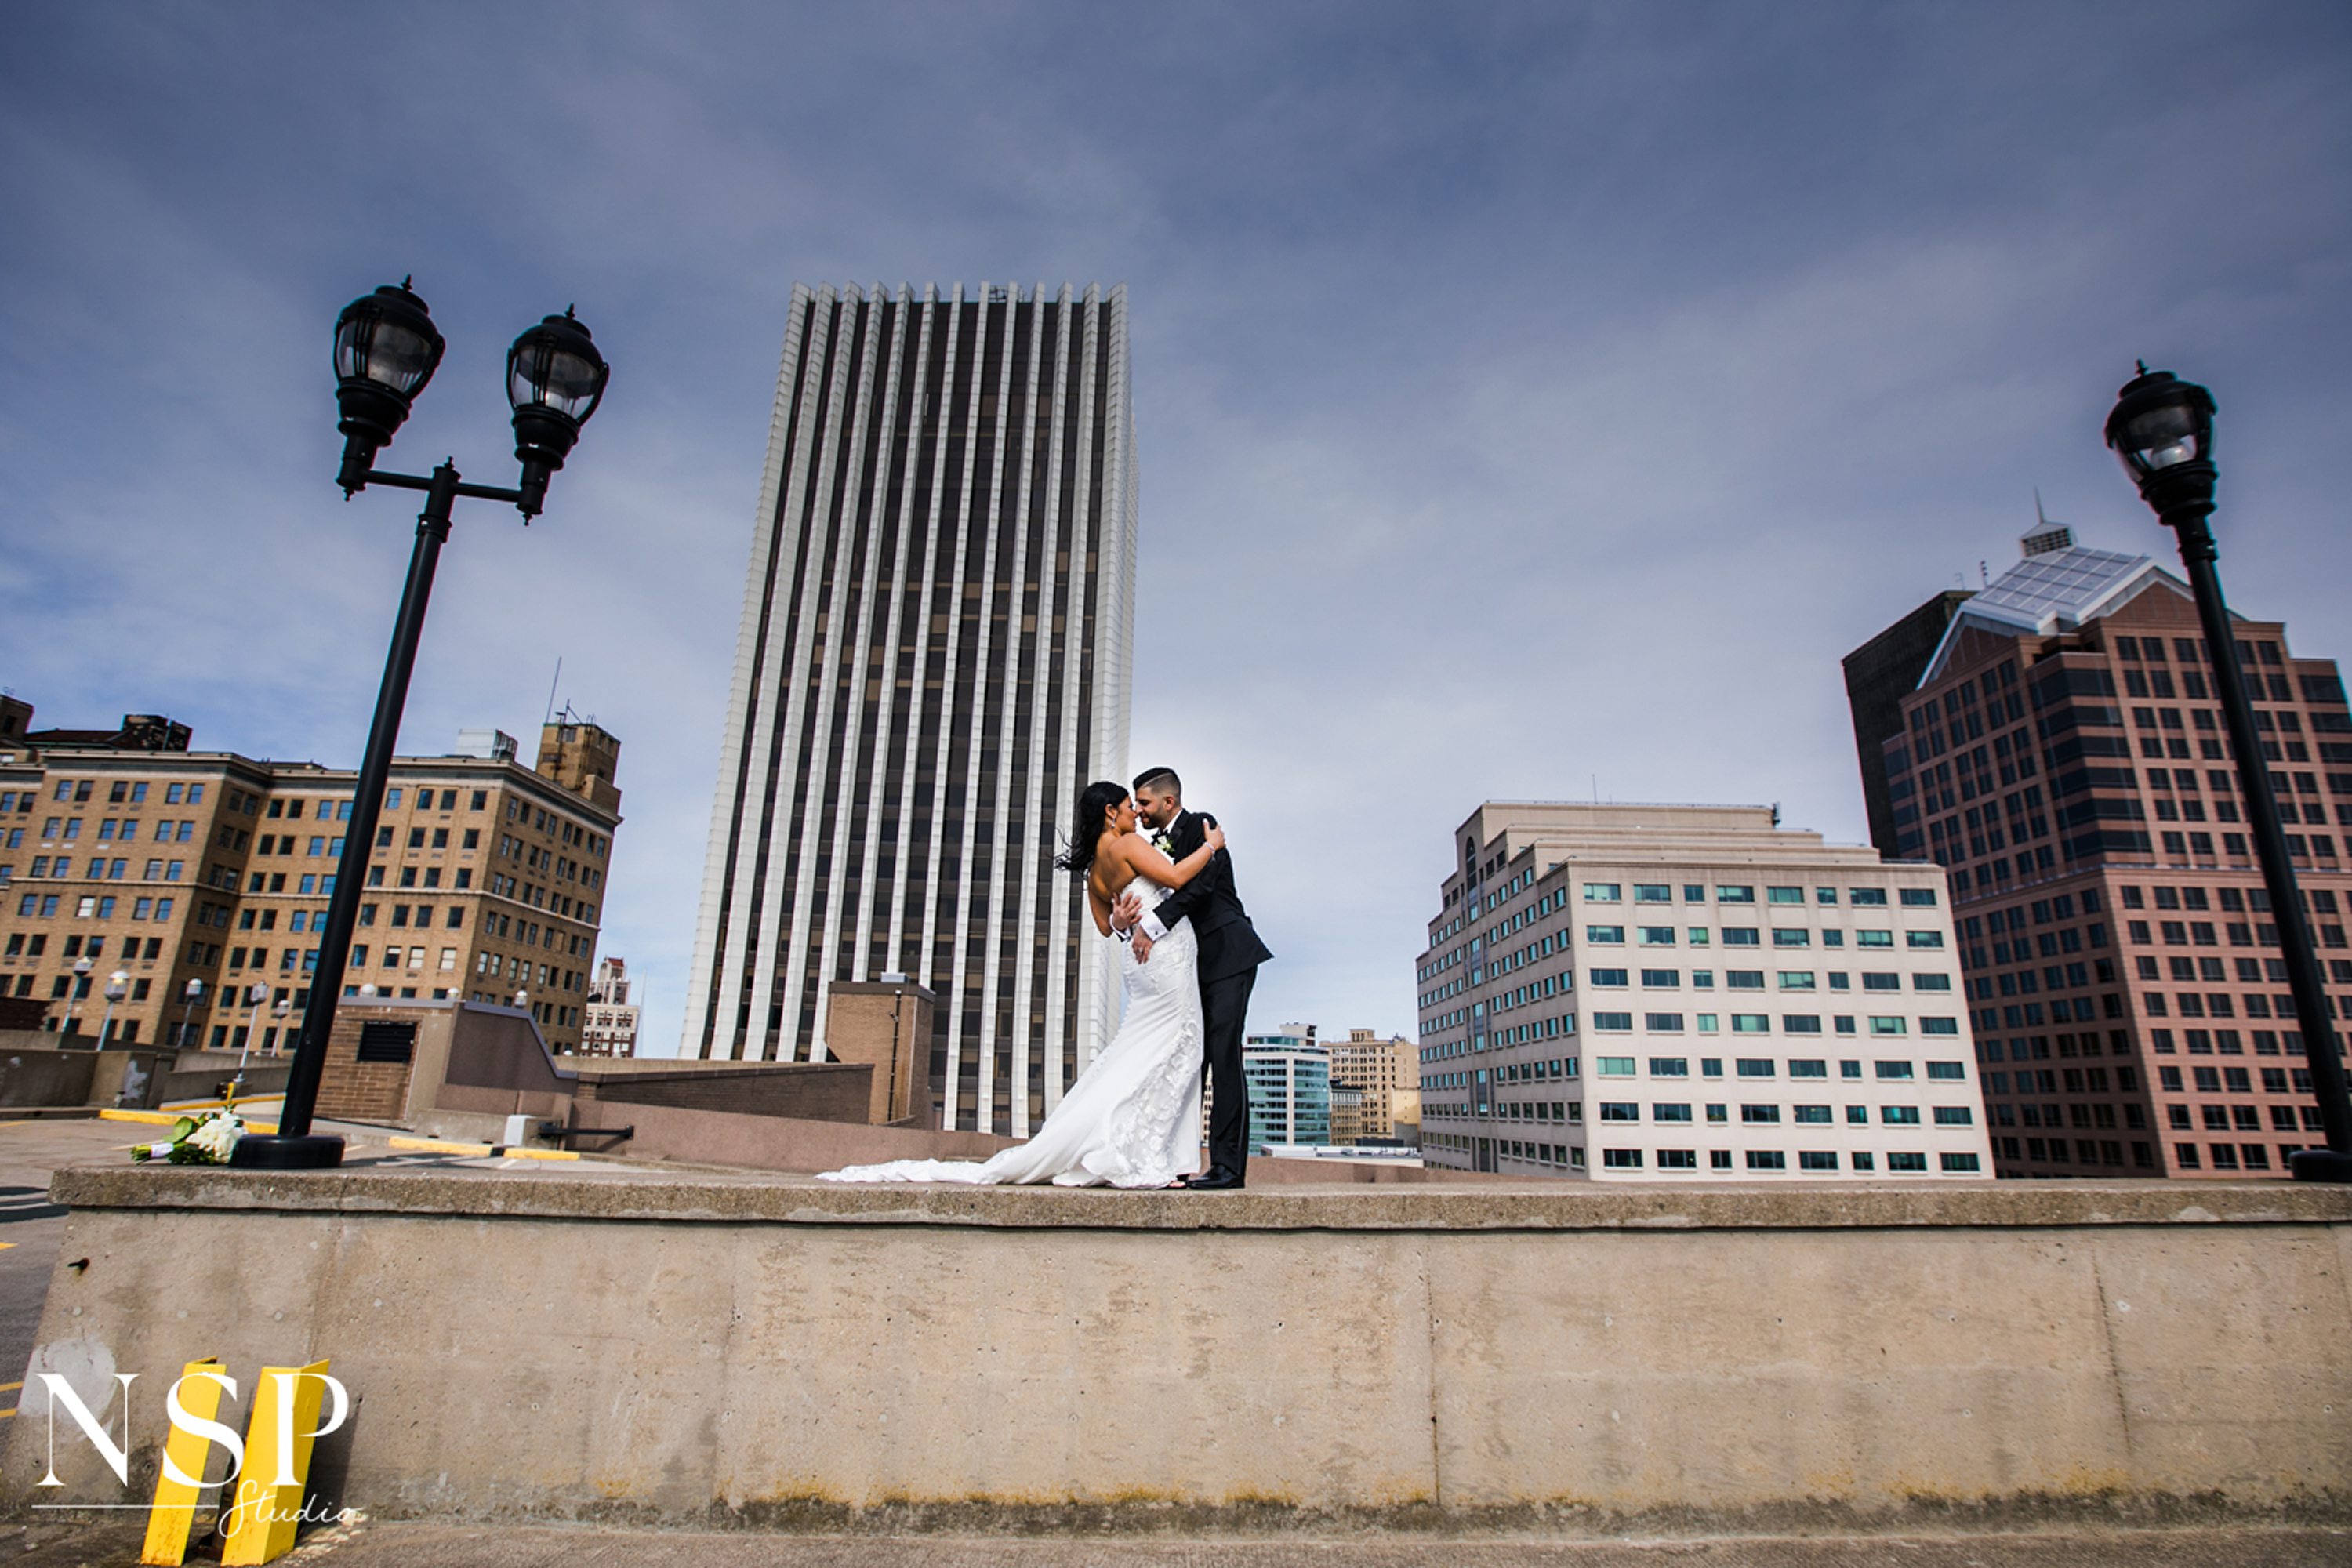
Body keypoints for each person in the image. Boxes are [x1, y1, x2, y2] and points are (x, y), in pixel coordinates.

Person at [817, 780, 1225, 1188]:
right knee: (1176, 1050)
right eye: (1128, 806)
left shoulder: (1094, 871)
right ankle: (1142, 1153)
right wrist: (1210, 847)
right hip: (1165, 960)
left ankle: (1143, 1148)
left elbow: (1107, 927)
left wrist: (1122, 922)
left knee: (1147, 1049)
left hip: (1141, 965)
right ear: (1110, 813)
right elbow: (1174, 877)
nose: (1135, 813)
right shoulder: (1127, 846)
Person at [1112, 767, 1272, 1189]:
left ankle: (1228, 1168)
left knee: (1223, 1057)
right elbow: (1139, 900)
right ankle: (1173, 1159)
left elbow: (1198, 889)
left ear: (1168, 802)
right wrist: (1122, 921)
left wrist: (1152, 926)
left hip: (1228, 953)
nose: (1140, 810)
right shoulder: (1148, 847)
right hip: (1189, 965)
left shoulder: (1204, 825)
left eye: (1144, 803)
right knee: (1186, 1060)